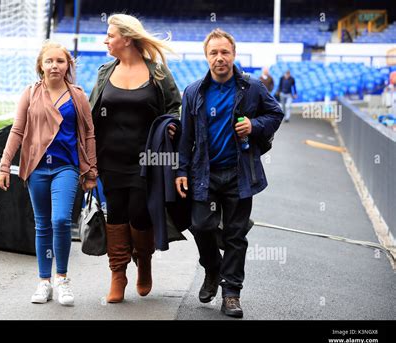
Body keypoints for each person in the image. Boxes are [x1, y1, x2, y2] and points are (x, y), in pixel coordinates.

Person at [175, 29, 283, 318]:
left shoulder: (252, 87)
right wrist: (181, 170)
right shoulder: (194, 91)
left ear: (233, 55)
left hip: (240, 173)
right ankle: (212, 268)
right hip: (204, 174)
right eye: (214, 53)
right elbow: (186, 137)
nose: (220, 58)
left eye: (225, 52)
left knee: (235, 235)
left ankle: (231, 294)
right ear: (206, 56)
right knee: (201, 225)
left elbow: (276, 114)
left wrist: (253, 125)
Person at [0, 40, 97, 306]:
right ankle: (44, 282)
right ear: (40, 66)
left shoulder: (78, 96)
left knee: (62, 220)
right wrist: (5, 165)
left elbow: (88, 134)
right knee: (42, 225)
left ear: (68, 66)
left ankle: (62, 279)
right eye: (49, 61)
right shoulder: (30, 93)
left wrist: (92, 170)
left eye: (60, 61)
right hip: (37, 168)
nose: (55, 65)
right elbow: (17, 131)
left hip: (66, 167)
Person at [89, 14, 181, 303]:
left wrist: (172, 124)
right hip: (110, 159)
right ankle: (118, 274)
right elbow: (91, 115)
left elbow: (176, 108)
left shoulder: (158, 73)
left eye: (110, 35)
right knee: (115, 214)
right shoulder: (105, 71)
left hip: (148, 160)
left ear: (126, 39)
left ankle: (144, 261)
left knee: (140, 214)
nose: (106, 40)